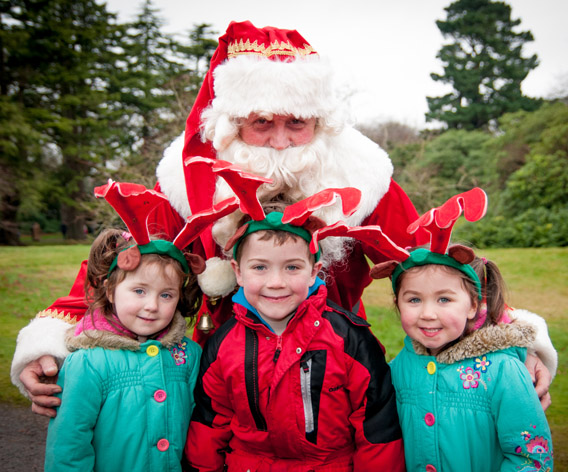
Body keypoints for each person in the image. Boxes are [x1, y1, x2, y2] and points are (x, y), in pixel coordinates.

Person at [11, 20, 553, 416]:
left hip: (335, 367)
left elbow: (432, 261)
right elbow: (122, 270)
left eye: (296, 122)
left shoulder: (362, 178)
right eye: (261, 121)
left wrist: (511, 343)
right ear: (231, 122)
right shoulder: (188, 181)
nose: (278, 139)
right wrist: (49, 345)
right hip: (213, 378)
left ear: (320, 122)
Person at [184, 198, 405, 471]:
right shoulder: (222, 344)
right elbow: (210, 421)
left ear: (314, 272)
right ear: (238, 273)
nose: (276, 283)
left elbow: (376, 422)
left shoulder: (350, 339)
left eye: (292, 267)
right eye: (260, 267)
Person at [368, 189, 554, 471]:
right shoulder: (398, 369)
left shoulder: (504, 371)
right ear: (397, 304)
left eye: (444, 299)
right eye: (414, 299)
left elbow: (530, 457)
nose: (428, 314)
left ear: (472, 306)